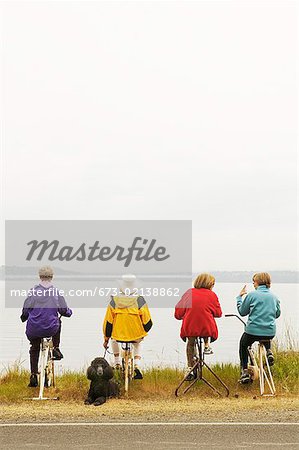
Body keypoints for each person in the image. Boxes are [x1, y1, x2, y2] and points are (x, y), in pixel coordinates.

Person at [20, 266, 72, 387]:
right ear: (51, 277)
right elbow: (64, 310)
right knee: (59, 322)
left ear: (40, 277)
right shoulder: (56, 293)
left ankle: (33, 375)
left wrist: (24, 317)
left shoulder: (33, 292)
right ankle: (56, 349)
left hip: (33, 329)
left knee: (34, 347)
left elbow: (26, 310)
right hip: (50, 328)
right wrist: (69, 313)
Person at [103, 274, 153, 380]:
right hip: (135, 335)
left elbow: (108, 323)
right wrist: (143, 331)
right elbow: (148, 322)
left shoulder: (114, 301)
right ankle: (137, 365)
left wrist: (106, 339)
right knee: (139, 343)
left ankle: (117, 363)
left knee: (113, 338)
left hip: (119, 335)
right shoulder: (140, 300)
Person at [174, 273, 222, 380]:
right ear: (210, 284)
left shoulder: (189, 293)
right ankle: (206, 344)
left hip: (190, 326)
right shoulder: (212, 295)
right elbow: (218, 313)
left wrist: (184, 314)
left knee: (190, 344)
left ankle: (190, 367)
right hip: (207, 328)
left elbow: (178, 313)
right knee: (205, 325)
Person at [237, 272, 281, 384]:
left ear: (257, 282)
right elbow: (277, 314)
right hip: (270, 332)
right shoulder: (274, 297)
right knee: (265, 334)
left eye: (253, 282)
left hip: (252, 331)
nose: (253, 284)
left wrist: (239, 297)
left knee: (243, 344)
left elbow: (242, 312)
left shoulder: (251, 295)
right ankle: (269, 351)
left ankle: (245, 371)